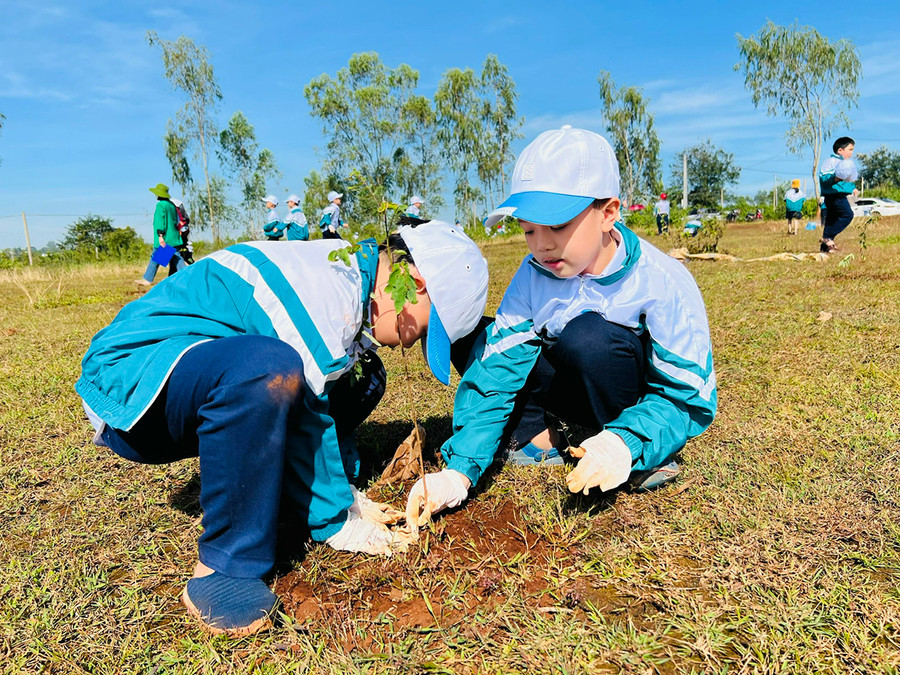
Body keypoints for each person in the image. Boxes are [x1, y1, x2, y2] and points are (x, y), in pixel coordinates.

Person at [76, 220, 489, 636]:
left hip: (203, 371)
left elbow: (324, 391)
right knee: (269, 369)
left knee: (364, 377)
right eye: (421, 329)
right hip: (135, 384)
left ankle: (291, 485)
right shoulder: (326, 291)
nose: (407, 343)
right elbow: (309, 408)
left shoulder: (354, 279)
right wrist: (339, 519)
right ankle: (223, 565)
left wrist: (346, 492)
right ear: (415, 282)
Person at [404, 125, 717, 527]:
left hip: (623, 395)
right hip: (568, 383)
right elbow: (499, 368)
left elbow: (687, 394)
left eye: (557, 226)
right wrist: (460, 471)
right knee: (476, 340)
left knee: (590, 338)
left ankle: (624, 450)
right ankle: (543, 435)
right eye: (529, 230)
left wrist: (625, 442)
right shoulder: (534, 273)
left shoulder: (663, 281)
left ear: (608, 214)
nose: (541, 245)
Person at [136, 183, 186, 286]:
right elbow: (177, 221)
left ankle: (147, 280)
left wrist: (160, 236)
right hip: (174, 237)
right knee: (177, 258)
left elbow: (160, 222)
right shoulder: (172, 205)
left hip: (165, 238)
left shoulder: (160, 205)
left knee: (156, 258)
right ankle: (188, 276)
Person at [818, 137, 859, 253]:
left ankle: (826, 248)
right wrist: (835, 178)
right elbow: (824, 178)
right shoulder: (831, 162)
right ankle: (827, 238)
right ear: (840, 150)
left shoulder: (844, 164)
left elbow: (847, 181)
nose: (851, 153)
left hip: (838, 195)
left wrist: (853, 188)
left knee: (831, 220)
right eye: (850, 149)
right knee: (847, 215)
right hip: (834, 196)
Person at [171, 197, 195, 264]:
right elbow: (186, 218)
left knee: (159, 260)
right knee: (176, 258)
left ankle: (190, 259)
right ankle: (189, 258)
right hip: (182, 231)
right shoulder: (177, 202)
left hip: (176, 233)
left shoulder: (165, 204)